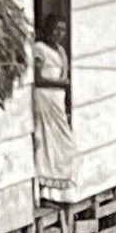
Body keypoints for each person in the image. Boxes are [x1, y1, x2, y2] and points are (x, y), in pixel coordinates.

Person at [32, 12, 77, 203]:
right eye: (56, 29)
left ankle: (59, 193)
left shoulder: (60, 51)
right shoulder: (39, 49)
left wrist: (63, 85)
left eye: (63, 30)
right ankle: (45, 192)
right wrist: (60, 84)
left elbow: (64, 76)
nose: (59, 33)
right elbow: (37, 79)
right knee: (46, 142)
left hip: (57, 100)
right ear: (48, 29)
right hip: (44, 98)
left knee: (65, 145)